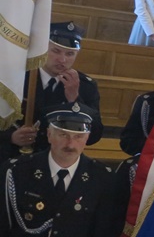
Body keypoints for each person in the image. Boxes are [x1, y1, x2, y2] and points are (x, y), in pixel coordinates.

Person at [0, 23, 103, 159]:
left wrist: (75, 99)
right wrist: (10, 137)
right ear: (42, 49)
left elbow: (94, 135)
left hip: (56, 159)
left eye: (70, 54)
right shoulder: (15, 78)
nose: (62, 60)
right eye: (56, 51)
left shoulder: (85, 86)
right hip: (12, 156)